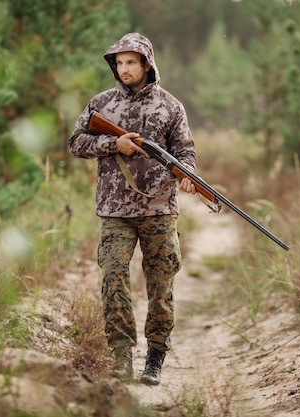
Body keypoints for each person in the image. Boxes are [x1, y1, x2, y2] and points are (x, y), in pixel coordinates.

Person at [68, 32, 197, 385]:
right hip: (114, 211)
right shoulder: (101, 103)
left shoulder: (171, 106)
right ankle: (121, 355)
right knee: (113, 276)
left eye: (130, 62)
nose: (124, 69)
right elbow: (75, 142)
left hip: (159, 208)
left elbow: (185, 152)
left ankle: (155, 356)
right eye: (119, 63)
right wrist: (114, 143)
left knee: (160, 284)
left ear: (146, 64)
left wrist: (188, 177)